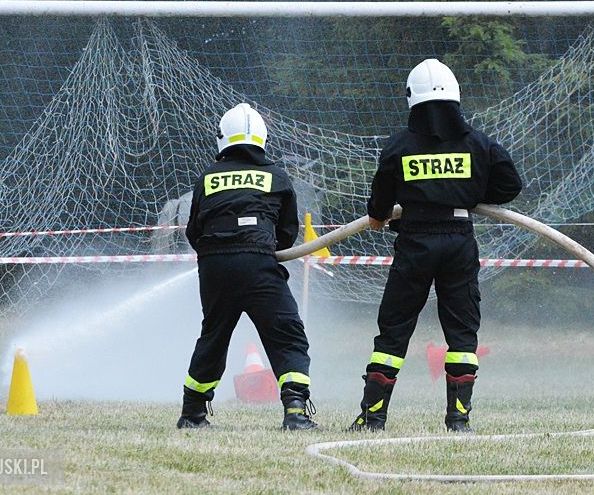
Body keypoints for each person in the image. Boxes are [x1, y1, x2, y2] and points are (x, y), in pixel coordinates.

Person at [349, 59, 522, 433]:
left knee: (394, 329)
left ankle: (372, 418)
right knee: (462, 332)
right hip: (459, 242)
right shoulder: (479, 144)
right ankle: (459, 421)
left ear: (411, 98)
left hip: (415, 242)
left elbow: (380, 200)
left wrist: (380, 215)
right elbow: (510, 185)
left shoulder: (399, 145)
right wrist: (467, 191)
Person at [178, 103, 316, 431]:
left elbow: (194, 231)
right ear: (262, 138)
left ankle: (192, 413)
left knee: (214, 336)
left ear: (223, 138)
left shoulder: (208, 177)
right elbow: (287, 232)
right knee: (287, 335)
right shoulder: (277, 176)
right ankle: (295, 412)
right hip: (259, 265)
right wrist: (262, 250)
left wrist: (218, 257)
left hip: (214, 266)